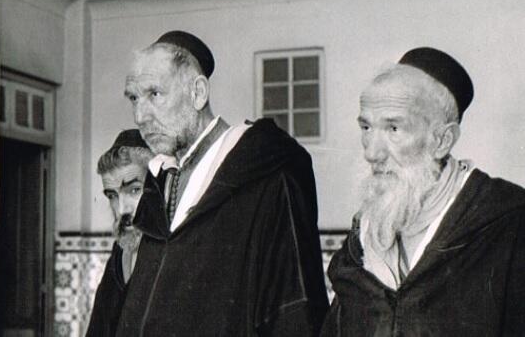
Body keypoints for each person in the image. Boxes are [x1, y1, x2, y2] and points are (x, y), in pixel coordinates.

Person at [116, 30, 328, 336]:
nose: (139, 116)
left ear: (198, 93)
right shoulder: (161, 181)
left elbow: (295, 311)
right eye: (134, 98)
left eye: (155, 94)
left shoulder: (269, 176)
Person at [322, 47, 525, 336]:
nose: (372, 152)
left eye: (393, 129)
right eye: (366, 127)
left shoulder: (510, 224)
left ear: (442, 140)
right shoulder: (362, 236)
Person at [86, 129, 153, 337]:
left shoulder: (171, 252)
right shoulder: (120, 250)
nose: (122, 208)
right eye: (113, 196)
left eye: (134, 190)